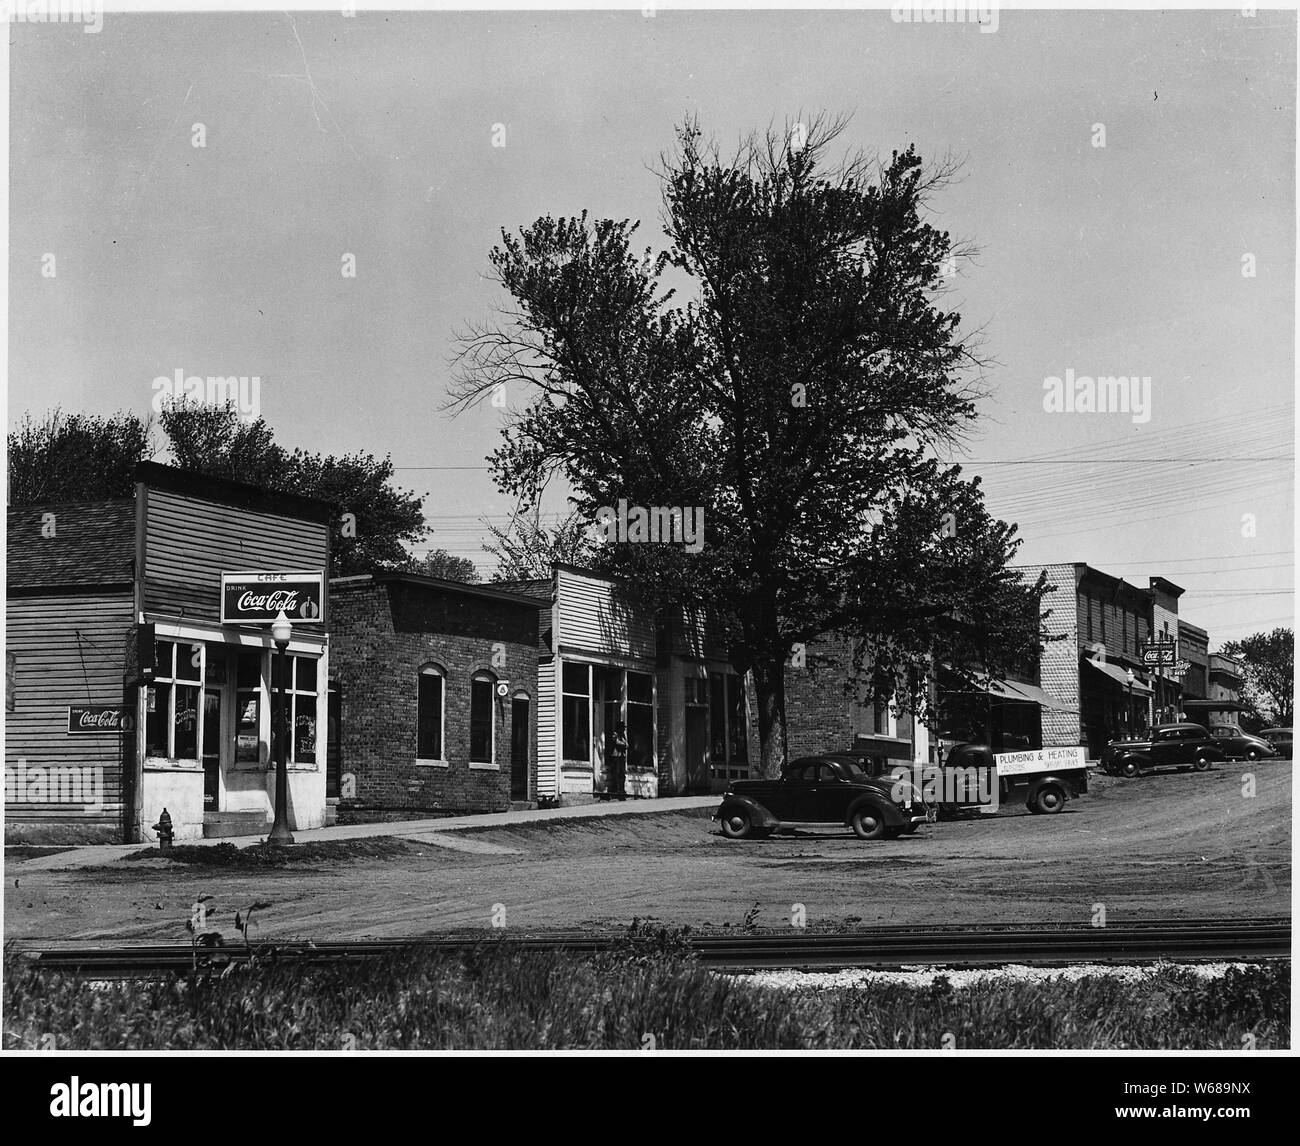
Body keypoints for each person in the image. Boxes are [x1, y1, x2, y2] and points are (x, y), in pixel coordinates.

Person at [611, 721, 629, 800]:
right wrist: (623, 743)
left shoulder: (623, 735)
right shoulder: (615, 734)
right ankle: (617, 790)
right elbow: (617, 742)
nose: (623, 730)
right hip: (616, 755)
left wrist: (624, 743)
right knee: (617, 772)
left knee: (622, 773)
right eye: (622, 728)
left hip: (622, 755)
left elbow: (627, 745)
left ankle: (622, 789)